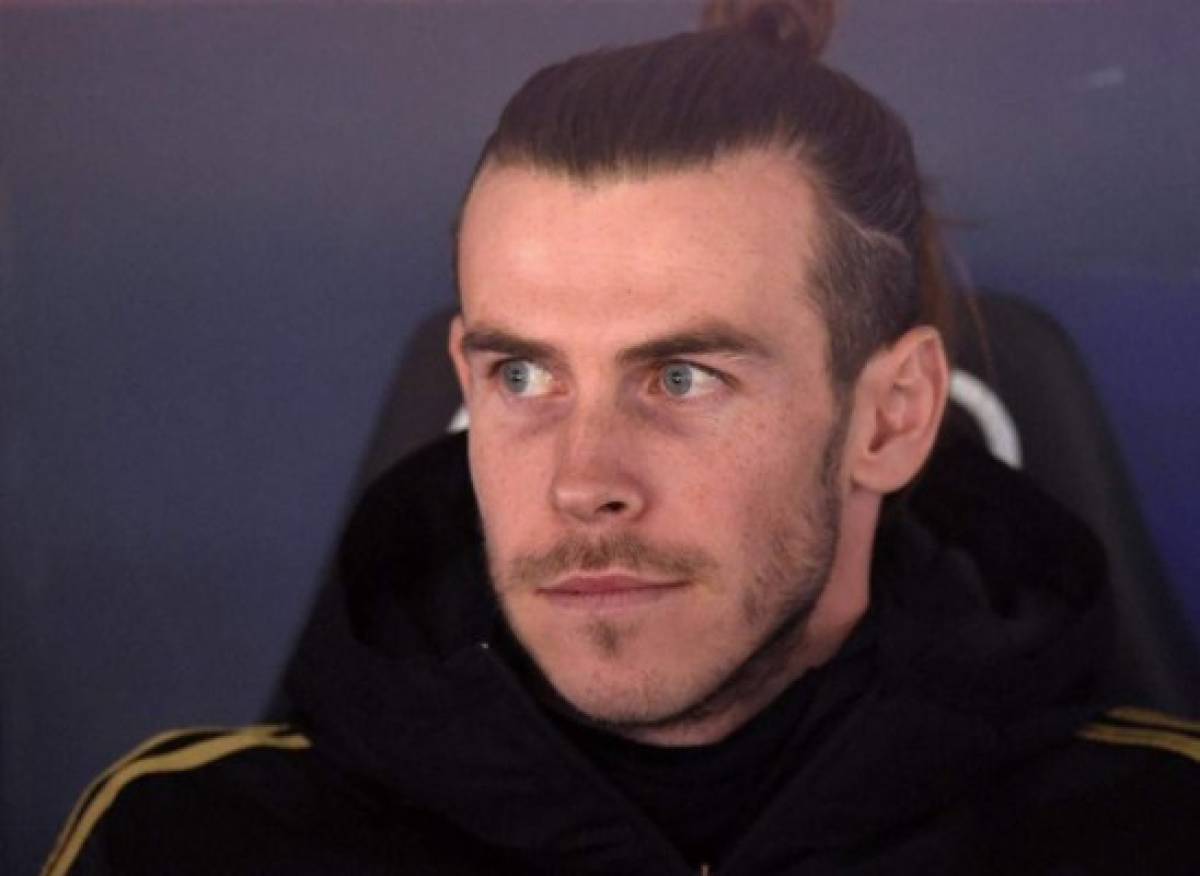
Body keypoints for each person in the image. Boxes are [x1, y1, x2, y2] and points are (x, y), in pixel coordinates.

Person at [43, 1, 1198, 874]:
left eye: (682, 376)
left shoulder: (1155, 834)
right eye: (525, 373)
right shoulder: (184, 840)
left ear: (891, 418)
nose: (584, 482)